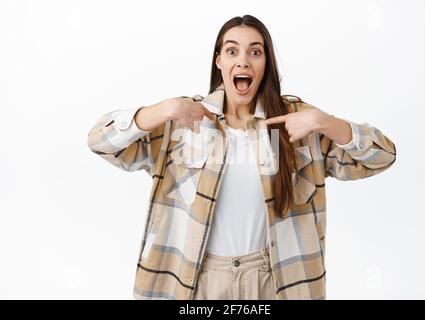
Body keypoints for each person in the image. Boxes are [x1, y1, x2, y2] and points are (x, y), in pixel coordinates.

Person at [87, 15, 396, 300]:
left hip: (274, 279)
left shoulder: (295, 123)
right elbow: (100, 141)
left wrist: (325, 122)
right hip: (197, 277)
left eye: (255, 52)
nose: (243, 61)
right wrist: (162, 110)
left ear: (266, 63)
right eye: (232, 52)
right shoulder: (184, 121)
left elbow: (382, 156)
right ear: (218, 60)